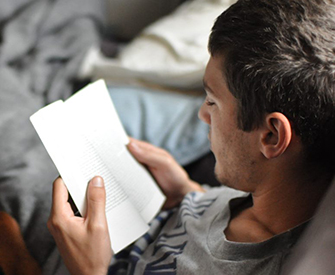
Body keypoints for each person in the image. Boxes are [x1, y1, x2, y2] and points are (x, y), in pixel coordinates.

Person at [47, 0, 335, 274]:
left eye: (212, 101)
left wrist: (89, 270)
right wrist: (187, 192)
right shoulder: (264, 193)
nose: (202, 114)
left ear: (271, 136)